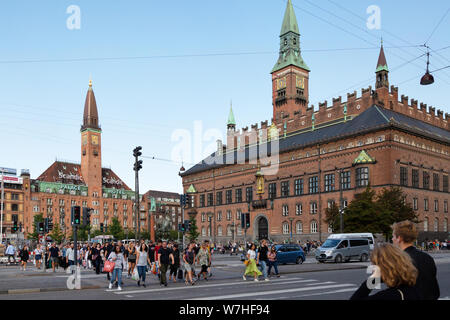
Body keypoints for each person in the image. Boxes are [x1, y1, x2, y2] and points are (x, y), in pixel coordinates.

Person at [350, 243, 420, 300]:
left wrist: (373, 279)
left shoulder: (387, 296)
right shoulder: (414, 290)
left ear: (383, 268)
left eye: (374, 265)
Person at [392, 220, 440, 300]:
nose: (392, 239)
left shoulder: (399, 260)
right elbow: (434, 289)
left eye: (393, 236)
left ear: (399, 238)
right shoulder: (427, 258)